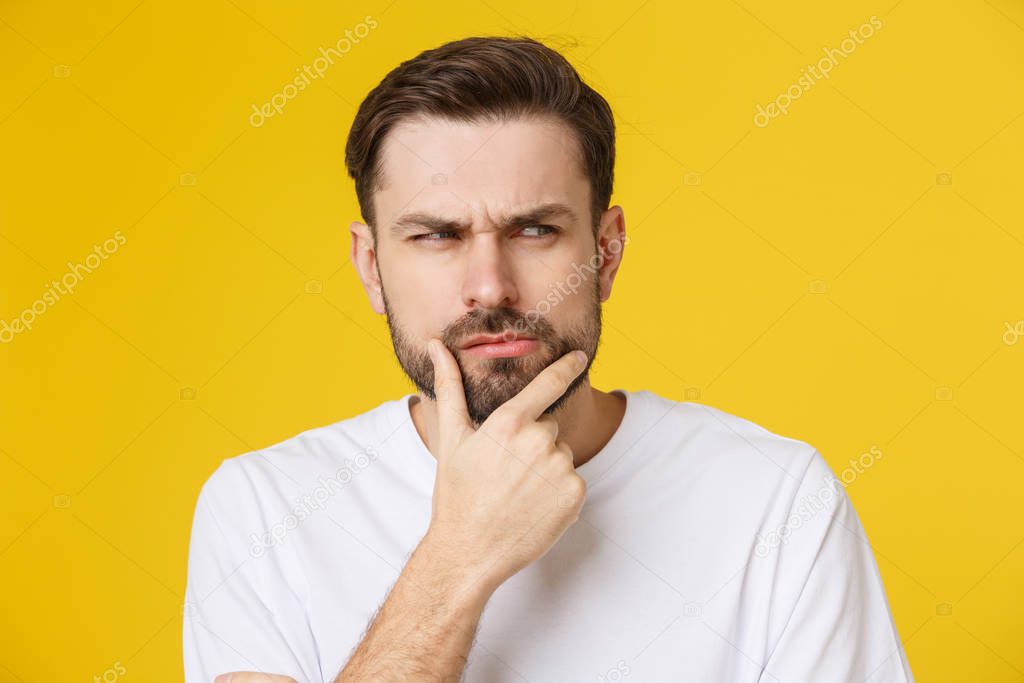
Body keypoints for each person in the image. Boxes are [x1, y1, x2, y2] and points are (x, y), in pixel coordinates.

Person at [184, 35, 914, 682]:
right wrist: (458, 557)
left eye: (534, 229)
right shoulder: (262, 509)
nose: (490, 286)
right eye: (436, 236)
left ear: (606, 250)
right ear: (371, 267)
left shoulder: (779, 503)